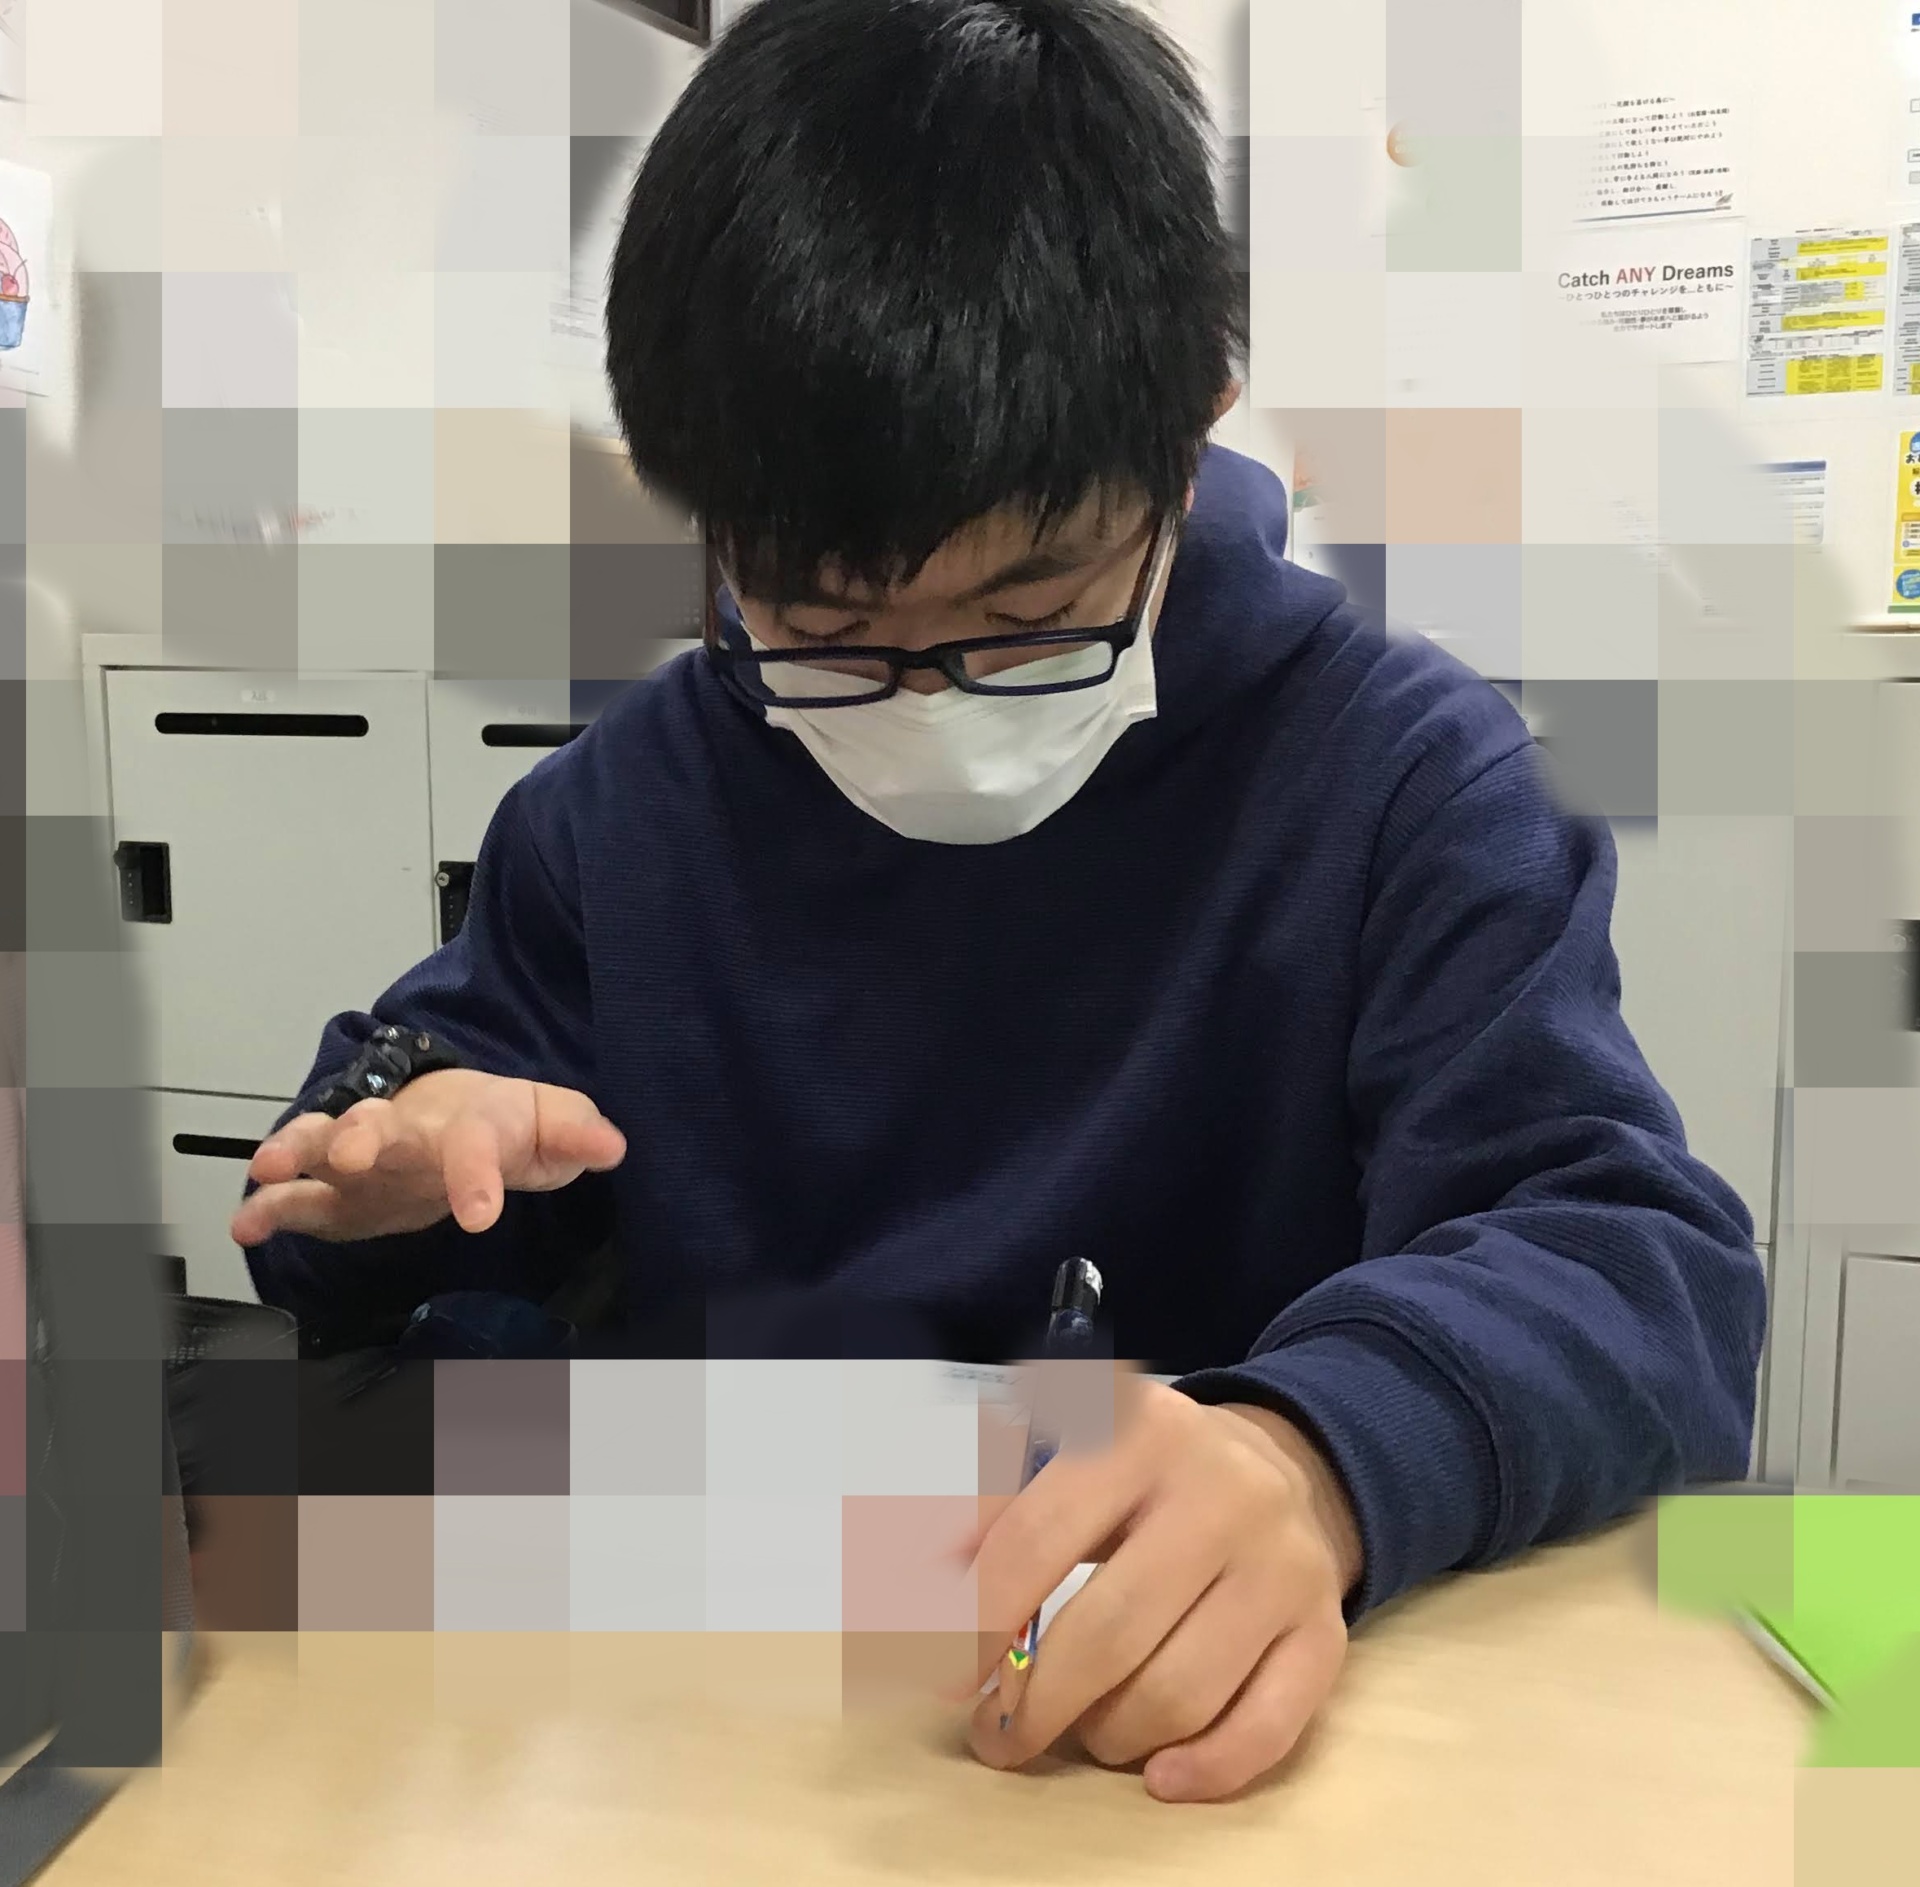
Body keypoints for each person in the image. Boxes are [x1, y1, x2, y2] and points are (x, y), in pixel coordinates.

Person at [233, 0, 1764, 1804]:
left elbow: (1634, 1260)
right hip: (727, 1713)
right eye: (828, 627)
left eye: (1031, 619)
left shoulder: (1403, 782)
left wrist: (1315, 1454)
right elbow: (379, 1179)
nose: (931, 702)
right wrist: (392, 1176)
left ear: (1193, 421)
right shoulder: (620, 806)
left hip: (1183, 1710)